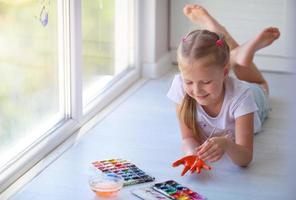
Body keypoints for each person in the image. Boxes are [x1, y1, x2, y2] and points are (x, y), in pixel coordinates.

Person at [167, 4, 280, 167]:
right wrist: (192, 154)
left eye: (206, 82)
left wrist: (227, 144)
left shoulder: (242, 97)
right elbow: (188, 137)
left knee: (261, 85)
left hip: (255, 94)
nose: (196, 90)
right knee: (216, 61)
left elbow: (245, 158)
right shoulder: (180, 87)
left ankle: (230, 47)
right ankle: (233, 51)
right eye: (189, 81)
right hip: (223, 69)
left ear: (226, 73)